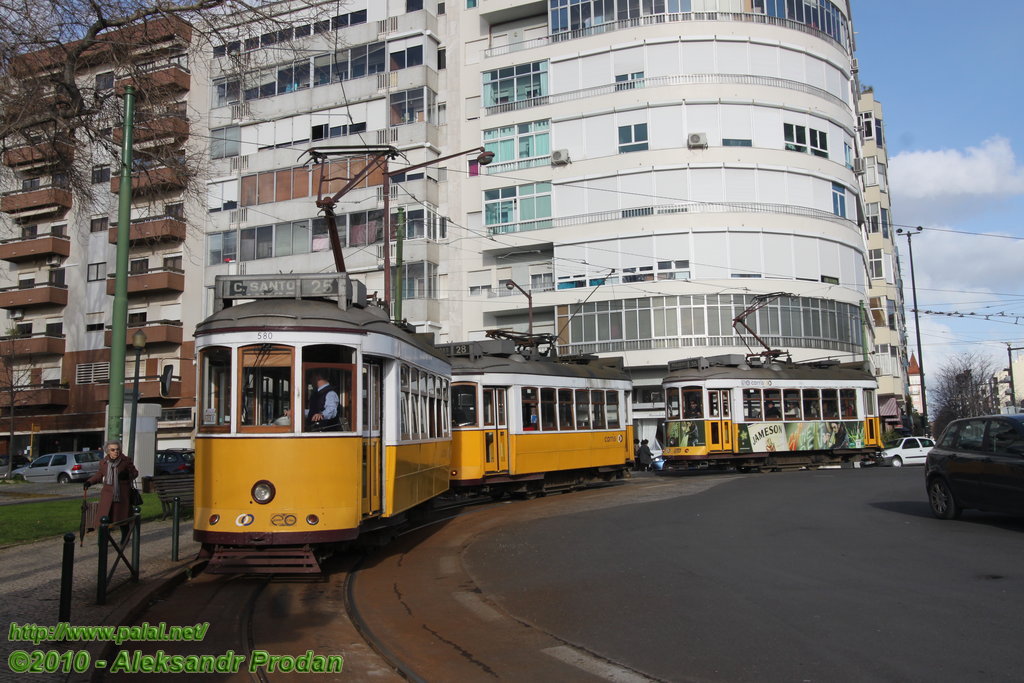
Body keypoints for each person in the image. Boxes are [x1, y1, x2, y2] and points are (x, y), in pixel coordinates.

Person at [83, 441, 139, 540]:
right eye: (113, 450)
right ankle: (103, 540)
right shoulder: (103, 463)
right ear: (108, 451)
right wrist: (89, 482)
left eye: (117, 449)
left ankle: (125, 539)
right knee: (104, 519)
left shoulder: (126, 461)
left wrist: (127, 475)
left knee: (123, 518)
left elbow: (135, 473)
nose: (116, 451)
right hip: (107, 495)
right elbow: (99, 475)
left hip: (121, 495)